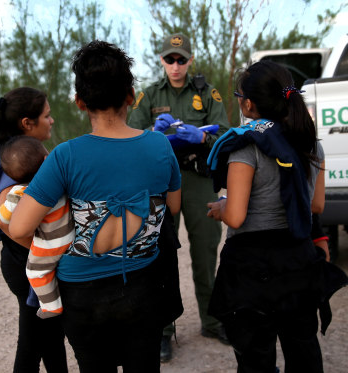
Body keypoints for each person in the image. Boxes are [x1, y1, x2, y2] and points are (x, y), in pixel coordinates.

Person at [9, 40, 182, 372]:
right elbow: (172, 207)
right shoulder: (160, 146)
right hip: (145, 287)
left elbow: (18, 228)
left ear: (79, 102)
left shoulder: (65, 156)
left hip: (82, 297)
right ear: (131, 95)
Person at [206, 60, 347, 373]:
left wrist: (222, 207)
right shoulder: (310, 143)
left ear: (248, 103)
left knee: (256, 357)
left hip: (251, 269)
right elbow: (317, 205)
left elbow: (237, 216)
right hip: (296, 258)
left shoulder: (245, 146)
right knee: (303, 349)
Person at [128, 32, 231, 360]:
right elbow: (129, 134)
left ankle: (213, 321)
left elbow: (226, 135)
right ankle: (163, 330)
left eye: (181, 59)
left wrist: (201, 136)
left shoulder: (207, 92)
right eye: (170, 59)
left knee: (206, 252)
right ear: (161, 60)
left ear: (190, 60)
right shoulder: (148, 95)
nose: (176, 65)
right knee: (159, 254)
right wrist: (153, 134)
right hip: (161, 179)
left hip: (199, 178)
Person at [0, 87, 68, 373]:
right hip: (25, 262)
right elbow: (5, 221)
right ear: (27, 123)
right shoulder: (16, 161)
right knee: (31, 344)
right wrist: (47, 249)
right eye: (47, 116)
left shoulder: (18, 153)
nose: (51, 121)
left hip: (23, 261)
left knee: (50, 338)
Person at [0, 135, 74, 319]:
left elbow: (2, 217)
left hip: (50, 244)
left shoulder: (19, 192)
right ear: (47, 160)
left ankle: (51, 306)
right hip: (72, 234)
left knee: (36, 271)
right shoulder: (58, 179)